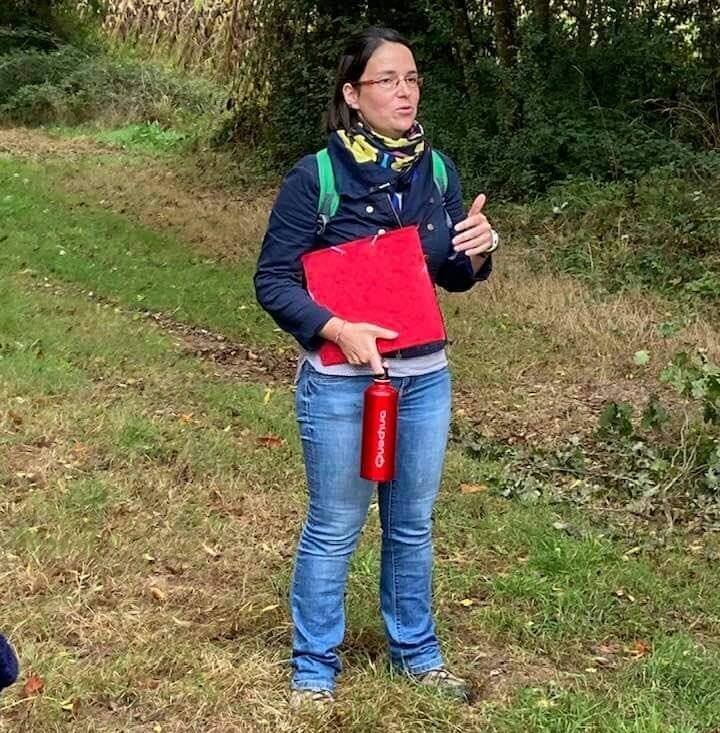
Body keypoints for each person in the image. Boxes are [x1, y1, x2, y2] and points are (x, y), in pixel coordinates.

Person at [254, 26, 498, 706]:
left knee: (412, 525)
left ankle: (417, 655)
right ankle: (314, 670)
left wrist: (479, 250)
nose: (404, 91)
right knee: (336, 525)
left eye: (412, 78)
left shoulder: (436, 172)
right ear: (353, 95)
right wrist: (336, 328)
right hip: (341, 384)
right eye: (387, 79)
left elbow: (451, 274)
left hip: (424, 379)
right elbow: (272, 281)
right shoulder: (317, 176)